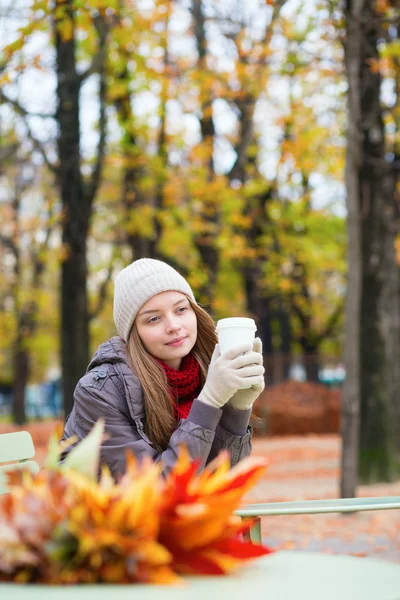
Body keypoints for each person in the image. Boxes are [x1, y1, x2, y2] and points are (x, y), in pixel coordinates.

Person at [61, 258, 265, 480]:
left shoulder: (208, 370)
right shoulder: (99, 392)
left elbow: (219, 481)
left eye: (181, 309)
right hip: (86, 511)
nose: (173, 326)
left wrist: (237, 409)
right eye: (154, 319)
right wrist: (209, 402)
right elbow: (154, 490)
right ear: (133, 333)